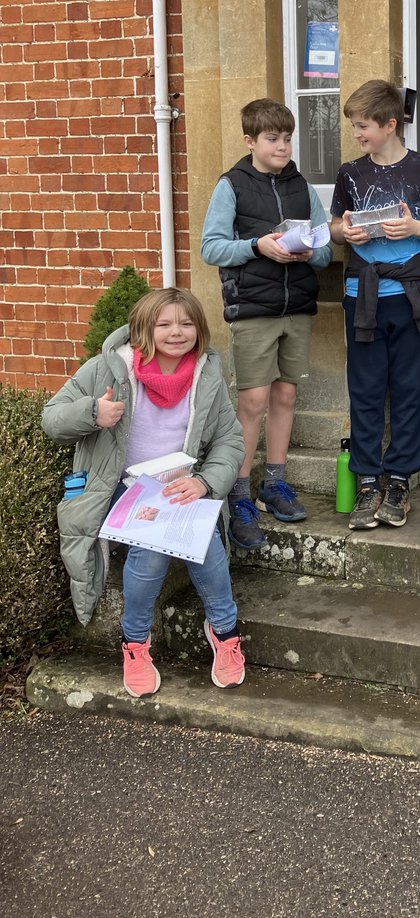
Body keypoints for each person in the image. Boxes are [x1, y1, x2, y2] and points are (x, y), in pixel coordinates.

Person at [42, 288, 246, 698]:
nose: (177, 332)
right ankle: (135, 643)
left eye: (187, 323)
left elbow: (229, 440)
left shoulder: (207, 374)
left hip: (181, 485)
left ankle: (225, 632)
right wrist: (91, 414)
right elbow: (52, 418)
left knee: (204, 540)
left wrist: (205, 483)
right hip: (121, 486)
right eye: (164, 324)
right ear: (142, 330)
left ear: (200, 330)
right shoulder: (106, 369)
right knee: (151, 548)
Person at [200, 98, 333, 548]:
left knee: (286, 393)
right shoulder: (231, 184)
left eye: (288, 138)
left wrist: (304, 251)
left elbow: (326, 250)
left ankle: (272, 483)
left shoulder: (302, 186)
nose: (282, 146)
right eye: (273, 139)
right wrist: (259, 246)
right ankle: (238, 493)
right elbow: (211, 248)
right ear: (250, 141)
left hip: (296, 305)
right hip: (252, 308)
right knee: (253, 400)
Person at [330, 79, 420, 529]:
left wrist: (415, 229)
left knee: (408, 390)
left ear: (390, 123)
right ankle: (366, 483)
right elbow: (333, 227)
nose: (357, 133)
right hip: (361, 296)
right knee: (364, 391)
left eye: (363, 125)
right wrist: (347, 233)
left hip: (412, 298)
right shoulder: (349, 172)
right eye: (354, 126)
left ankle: (399, 480)